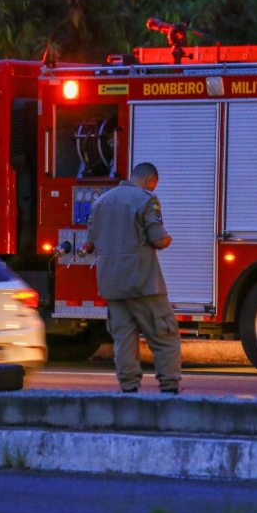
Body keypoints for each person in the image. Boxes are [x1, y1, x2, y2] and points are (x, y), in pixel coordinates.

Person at [87, 162, 181, 394]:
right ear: (150, 181)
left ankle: (129, 390)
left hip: (111, 285)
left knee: (124, 339)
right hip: (143, 283)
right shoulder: (147, 200)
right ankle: (169, 389)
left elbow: (90, 244)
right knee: (165, 335)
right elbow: (158, 239)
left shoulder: (100, 202)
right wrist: (169, 239)